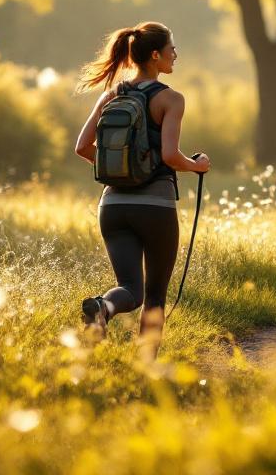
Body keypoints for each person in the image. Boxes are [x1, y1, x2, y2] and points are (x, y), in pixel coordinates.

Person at [73, 21, 210, 361]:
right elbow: (169, 156)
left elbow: (82, 147)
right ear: (155, 55)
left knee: (129, 288)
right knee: (155, 295)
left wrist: (123, 172)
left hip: (113, 205)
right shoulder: (171, 99)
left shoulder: (111, 95)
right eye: (171, 49)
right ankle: (146, 367)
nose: (175, 55)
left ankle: (103, 307)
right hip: (155, 206)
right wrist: (197, 165)